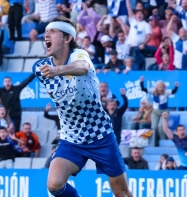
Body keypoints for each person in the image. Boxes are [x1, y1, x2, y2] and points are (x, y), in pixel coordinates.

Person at [33, 16, 132, 197]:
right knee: (54, 185)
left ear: (67, 38)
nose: (46, 35)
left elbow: (82, 67)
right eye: (45, 32)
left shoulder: (79, 55)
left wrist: (58, 70)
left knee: (122, 192)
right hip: (71, 138)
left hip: (100, 134)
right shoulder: (40, 68)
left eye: (52, 31)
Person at [140, 76, 179, 146]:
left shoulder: (166, 92)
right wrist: (141, 82)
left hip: (164, 112)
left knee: (161, 126)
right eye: (159, 87)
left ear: (164, 87)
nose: (160, 89)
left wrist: (176, 87)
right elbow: (143, 89)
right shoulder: (153, 92)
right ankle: (154, 143)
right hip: (155, 112)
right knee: (154, 127)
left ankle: (162, 142)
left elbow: (173, 91)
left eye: (162, 87)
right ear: (156, 87)